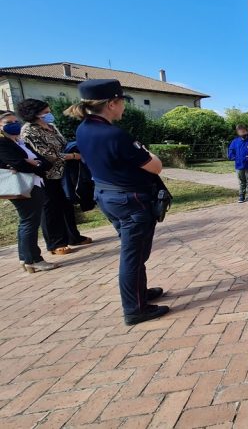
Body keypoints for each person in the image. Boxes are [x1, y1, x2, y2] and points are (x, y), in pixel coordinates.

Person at [72, 79, 168, 325]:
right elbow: (155, 166)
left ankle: (139, 293)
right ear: (112, 104)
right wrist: (148, 151)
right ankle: (135, 309)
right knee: (133, 255)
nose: (124, 106)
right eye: (123, 101)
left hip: (109, 196)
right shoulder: (114, 134)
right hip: (130, 200)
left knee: (135, 251)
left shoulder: (83, 129)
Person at [18, 99, 91, 255]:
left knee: (66, 204)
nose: (49, 114)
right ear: (33, 114)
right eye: (45, 112)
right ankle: (55, 243)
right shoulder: (28, 131)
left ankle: (73, 236)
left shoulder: (51, 127)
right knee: (51, 208)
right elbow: (46, 154)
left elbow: (62, 144)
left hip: (63, 172)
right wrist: (72, 156)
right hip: (47, 173)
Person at [0, 111, 57, 273]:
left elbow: (45, 162)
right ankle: (33, 259)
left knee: (28, 221)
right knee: (29, 222)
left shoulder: (20, 142)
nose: (14, 124)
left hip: (33, 182)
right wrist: (29, 163)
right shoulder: (3, 143)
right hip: (22, 186)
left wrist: (33, 163)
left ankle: (25, 258)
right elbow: (18, 164)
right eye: (9, 122)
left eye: (15, 121)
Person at [228, 124, 248, 204]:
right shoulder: (235, 142)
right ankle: (241, 196)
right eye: (240, 132)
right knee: (241, 182)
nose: (242, 133)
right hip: (239, 166)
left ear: (247, 131)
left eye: (243, 131)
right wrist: (235, 158)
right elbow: (230, 152)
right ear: (238, 132)